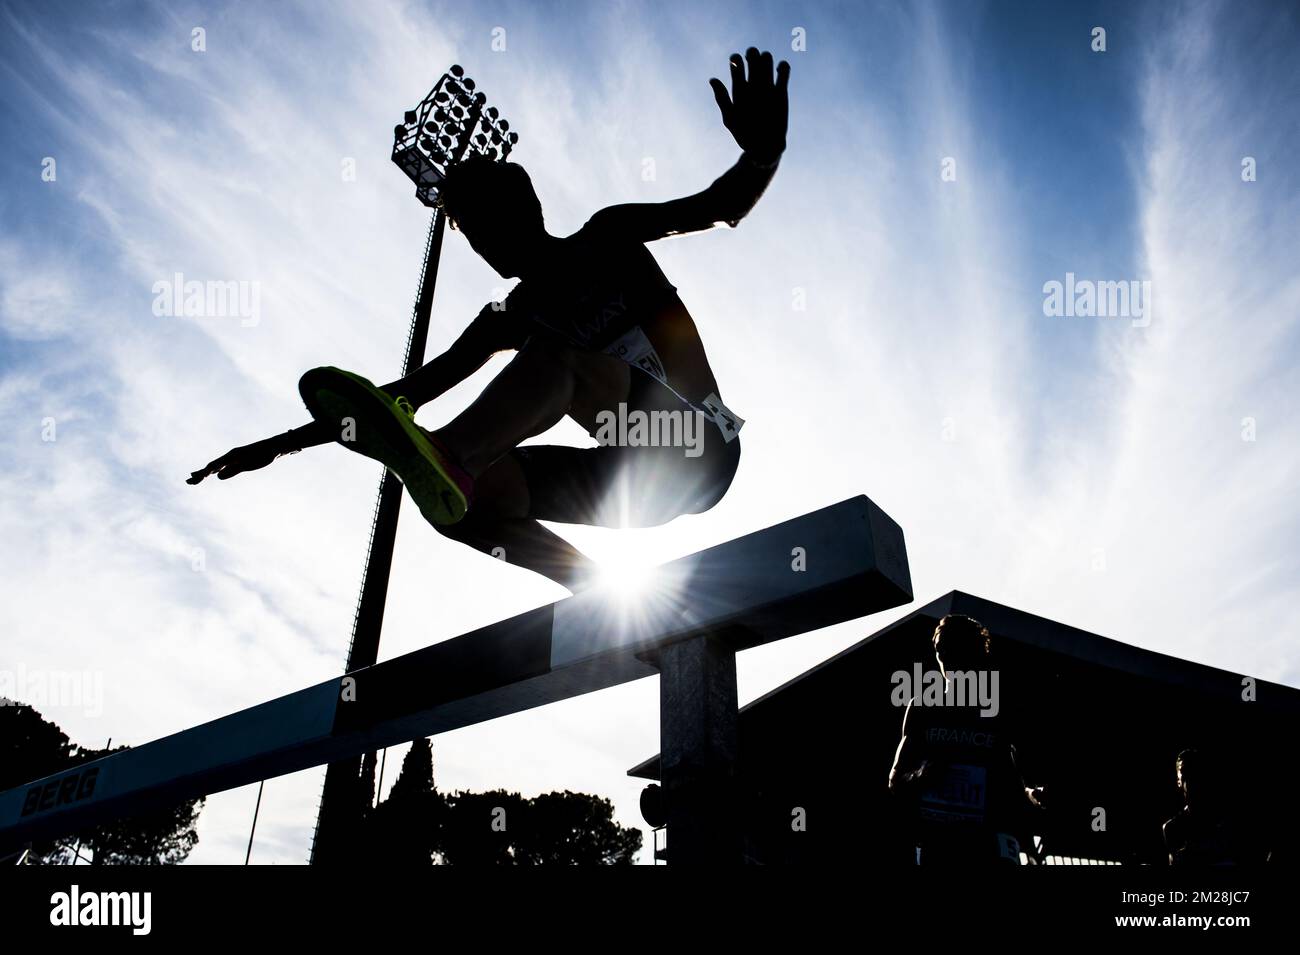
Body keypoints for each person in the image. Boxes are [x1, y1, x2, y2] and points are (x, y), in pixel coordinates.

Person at [189, 48, 790, 593]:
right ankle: (598, 590)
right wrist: (278, 446)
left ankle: (454, 454)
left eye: (489, 223)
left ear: (528, 207)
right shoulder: (507, 316)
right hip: (637, 482)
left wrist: (761, 153)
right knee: (465, 503)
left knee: (555, 361)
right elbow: (395, 402)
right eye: (472, 235)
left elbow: (720, 206)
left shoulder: (607, 236)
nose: (483, 245)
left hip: (698, 445)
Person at [888, 614, 1044, 865]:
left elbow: (1011, 782)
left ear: (976, 654)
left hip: (987, 846)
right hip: (938, 845)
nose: (945, 657)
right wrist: (921, 776)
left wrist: (1031, 795)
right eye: (940, 650)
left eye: (954, 648)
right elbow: (895, 779)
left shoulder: (997, 711)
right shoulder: (923, 708)